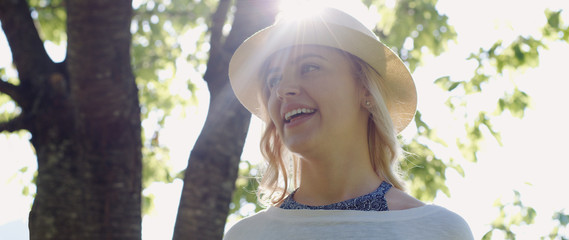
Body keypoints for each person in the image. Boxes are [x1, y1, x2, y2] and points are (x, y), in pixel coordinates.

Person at [225, 6, 473, 240]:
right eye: (273, 80)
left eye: (310, 67)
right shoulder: (246, 235)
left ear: (365, 89)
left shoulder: (437, 231)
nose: (282, 90)